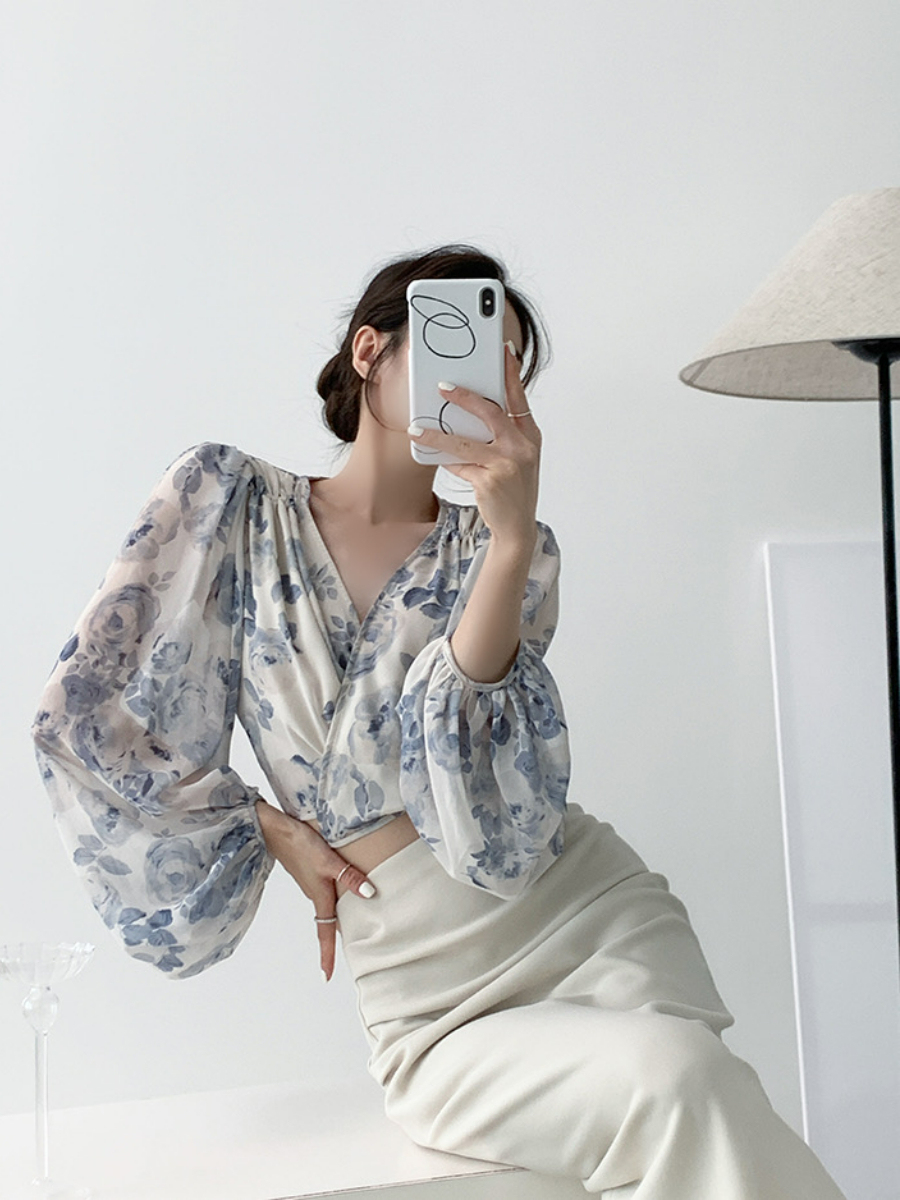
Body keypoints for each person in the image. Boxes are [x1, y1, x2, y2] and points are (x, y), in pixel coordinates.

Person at [31, 244, 847, 1198]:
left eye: (508, 368)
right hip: (429, 997)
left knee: (693, 1083)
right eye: (459, 345)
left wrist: (508, 537)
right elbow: (84, 712)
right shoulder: (231, 505)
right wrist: (262, 823)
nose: (482, 384)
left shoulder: (510, 549)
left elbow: (484, 780)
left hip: (585, 919)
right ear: (369, 351)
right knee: (675, 1082)